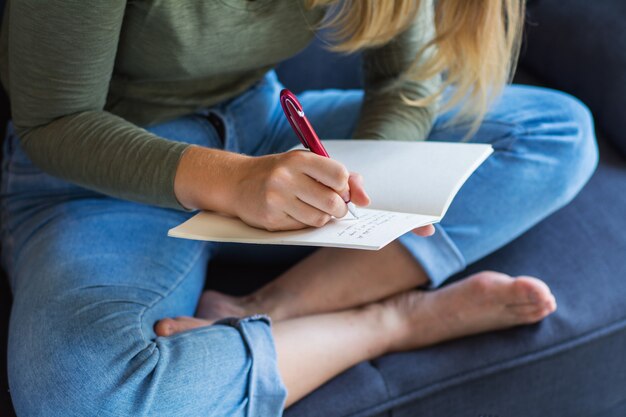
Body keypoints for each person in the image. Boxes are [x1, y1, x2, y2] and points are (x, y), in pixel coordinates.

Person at [0, 0, 597, 415]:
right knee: (85, 398)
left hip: (257, 125)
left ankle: (269, 308)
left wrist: (377, 182)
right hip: (97, 174)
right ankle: (391, 322)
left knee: (558, 131)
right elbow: (55, 121)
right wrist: (232, 182)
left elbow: (404, 81)